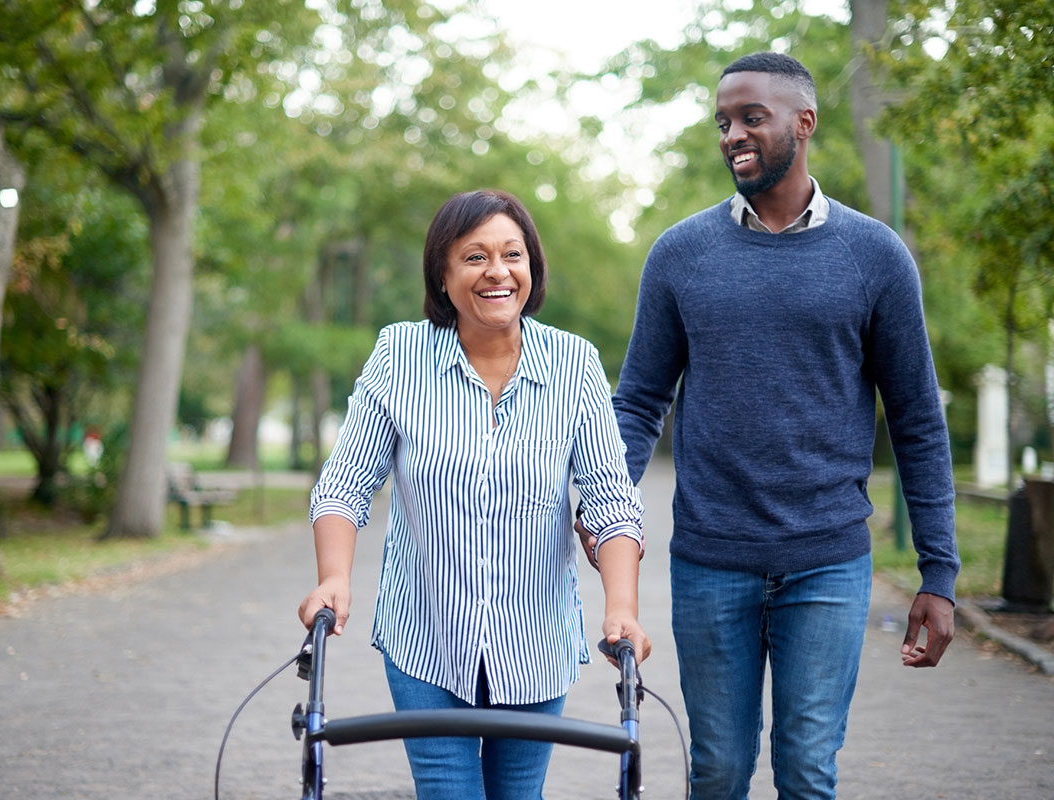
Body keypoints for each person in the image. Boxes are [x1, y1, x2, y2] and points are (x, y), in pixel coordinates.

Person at [579, 52, 961, 799]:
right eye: (724, 121)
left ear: (803, 123)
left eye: (751, 118)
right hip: (710, 559)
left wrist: (938, 572)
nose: (733, 135)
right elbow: (638, 400)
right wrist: (605, 506)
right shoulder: (681, 254)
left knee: (808, 770)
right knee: (718, 769)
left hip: (828, 560)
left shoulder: (876, 256)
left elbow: (917, 419)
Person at [298, 189, 650, 800]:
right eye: (474, 256)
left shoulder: (575, 364)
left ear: (531, 267)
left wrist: (620, 607)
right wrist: (334, 577)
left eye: (512, 254)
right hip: (425, 636)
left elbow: (608, 498)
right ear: (444, 272)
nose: (497, 272)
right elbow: (346, 482)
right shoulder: (400, 354)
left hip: (535, 640)